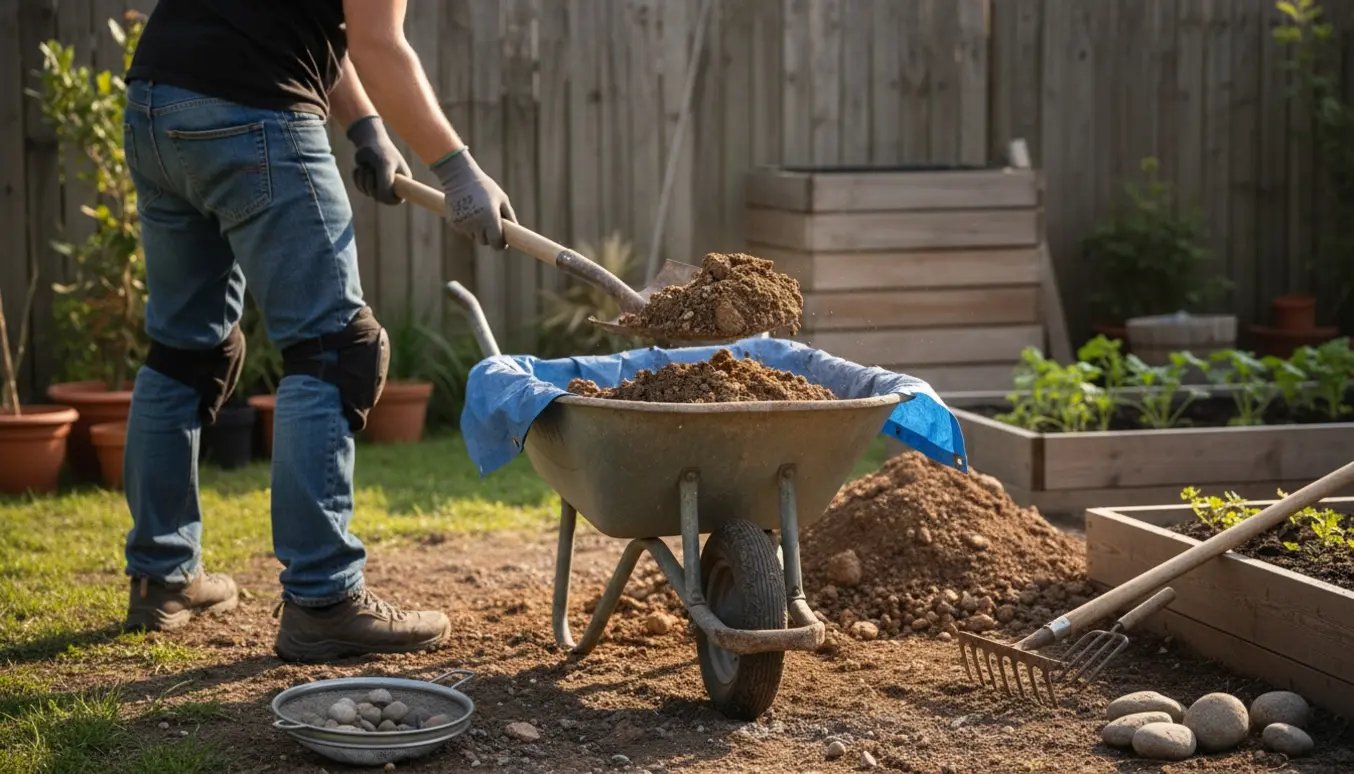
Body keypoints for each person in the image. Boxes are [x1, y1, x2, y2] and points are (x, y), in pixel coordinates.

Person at [117, 0, 516, 662]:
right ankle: (324, 600)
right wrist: (456, 166)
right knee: (336, 349)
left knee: (186, 351)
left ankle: (162, 577)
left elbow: (306, 26)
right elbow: (378, 45)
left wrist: (364, 127)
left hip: (159, 107)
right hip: (252, 115)